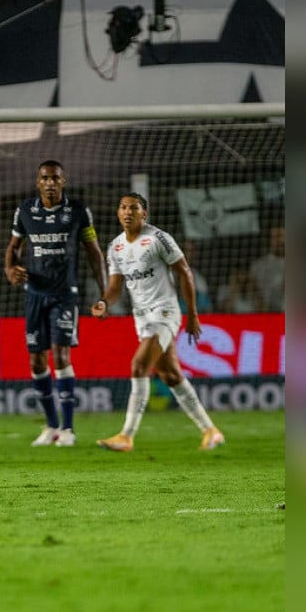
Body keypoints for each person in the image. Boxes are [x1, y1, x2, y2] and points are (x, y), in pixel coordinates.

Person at [92, 193, 225, 452]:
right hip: (141, 317)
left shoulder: (158, 238)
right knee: (170, 375)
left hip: (165, 313)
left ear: (144, 213)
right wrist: (104, 303)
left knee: (139, 365)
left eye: (134, 208)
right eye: (123, 207)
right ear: (118, 213)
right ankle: (211, 430)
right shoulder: (115, 246)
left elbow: (184, 272)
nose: (127, 212)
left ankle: (126, 436)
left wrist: (193, 314)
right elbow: (115, 286)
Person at [4, 160, 106, 447]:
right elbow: (13, 248)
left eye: (55, 178)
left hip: (64, 295)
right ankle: (51, 426)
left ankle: (68, 429)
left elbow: (94, 253)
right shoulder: (25, 211)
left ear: (64, 181)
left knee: (61, 356)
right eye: (45, 178)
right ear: (38, 182)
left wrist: (105, 294)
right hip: (34, 294)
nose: (50, 183)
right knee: (36, 360)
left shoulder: (78, 212)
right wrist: (10, 270)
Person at [250, 226, 285, 311]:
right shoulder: (258, 265)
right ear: (269, 240)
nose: (280, 240)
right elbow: (253, 292)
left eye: (282, 236)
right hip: (268, 313)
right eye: (276, 237)